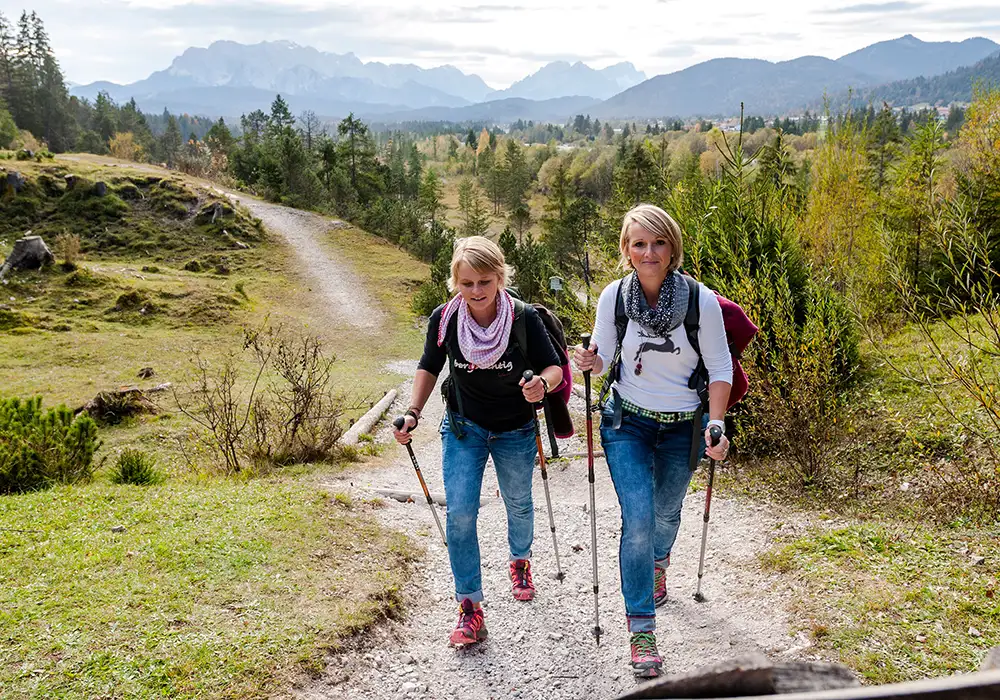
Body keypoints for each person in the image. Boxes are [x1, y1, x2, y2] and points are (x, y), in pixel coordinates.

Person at [572, 204, 732, 678]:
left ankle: (658, 561)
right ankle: (642, 632)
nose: (649, 252)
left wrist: (716, 424)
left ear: (672, 248)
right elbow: (602, 359)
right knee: (637, 519)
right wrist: (589, 362)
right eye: (639, 243)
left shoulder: (701, 301)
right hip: (628, 424)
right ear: (626, 249)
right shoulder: (614, 298)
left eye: (658, 243)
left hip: (683, 426)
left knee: (665, 513)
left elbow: (720, 368)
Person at [394, 235, 563, 646]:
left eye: (485, 281)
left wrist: (541, 383)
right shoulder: (445, 319)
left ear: (500, 277)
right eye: (467, 283)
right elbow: (428, 366)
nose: (476, 291)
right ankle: (469, 608)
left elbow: (553, 366)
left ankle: (519, 560)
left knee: (519, 502)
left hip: (516, 428)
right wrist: (413, 412)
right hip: (464, 427)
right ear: (456, 282)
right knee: (461, 513)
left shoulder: (522, 318)